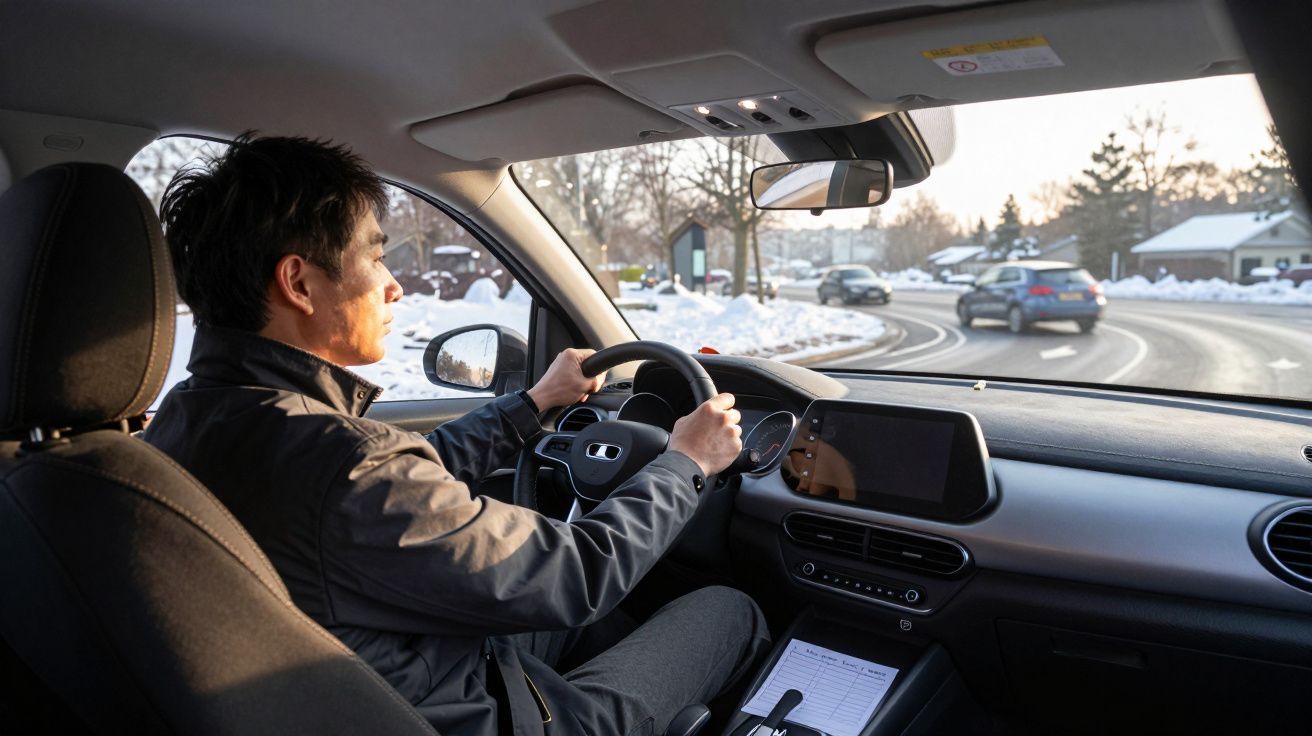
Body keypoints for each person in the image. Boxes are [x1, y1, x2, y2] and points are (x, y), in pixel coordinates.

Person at [143, 134, 770, 736]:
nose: (392, 285)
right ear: (299, 282)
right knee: (727, 612)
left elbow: (411, 477)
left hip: (389, 681)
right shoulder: (347, 466)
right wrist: (686, 462)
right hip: (464, 715)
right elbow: (578, 574)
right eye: (376, 254)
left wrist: (530, 405)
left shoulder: (191, 420)